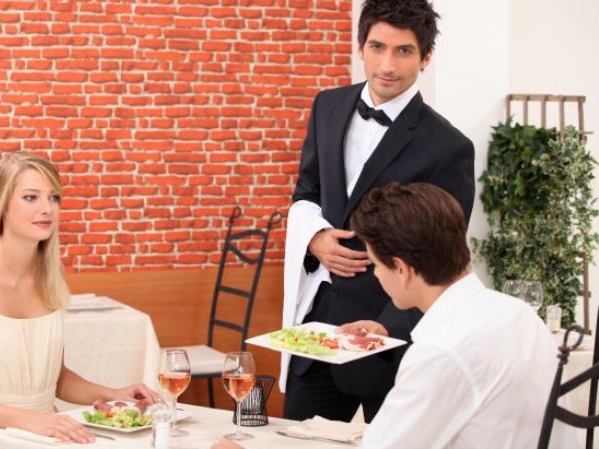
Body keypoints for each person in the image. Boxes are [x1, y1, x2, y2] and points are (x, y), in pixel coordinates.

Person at [214, 182, 572, 449]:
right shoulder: (517, 314)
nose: (377, 276)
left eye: (375, 264)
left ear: (401, 269)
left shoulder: (440, 351)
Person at [281, 0, 475, 422]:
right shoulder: (327, 107)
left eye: (404, 51)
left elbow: (441, 260)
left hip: (389, 341)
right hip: (317, 326)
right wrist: (315, 238)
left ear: (426, 57)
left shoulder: (449, 147)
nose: (387, 65)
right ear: (361, 47)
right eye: (377, 47)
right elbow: (307, 192)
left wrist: (387, 327)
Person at [0, 152, 158, 447]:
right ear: (2, 204)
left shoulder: (51, 281)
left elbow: (57, 380)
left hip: (43, 437)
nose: (47, 209)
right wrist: (32, 421)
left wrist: (114, 394)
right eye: (31, 197)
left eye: (54, 198)